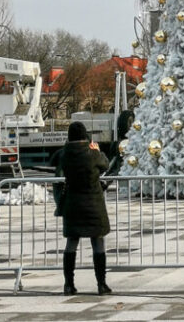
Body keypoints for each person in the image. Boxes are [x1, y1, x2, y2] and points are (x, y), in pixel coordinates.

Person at [59, 121, 112, 295]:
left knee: (71, 243)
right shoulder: (91, 154)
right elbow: (105, 165)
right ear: (85, 136)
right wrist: (97, 150)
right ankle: (101, 284)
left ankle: (68, 284)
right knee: (97, 241)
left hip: (73, 204)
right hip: (93, 203)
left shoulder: (65, 155)